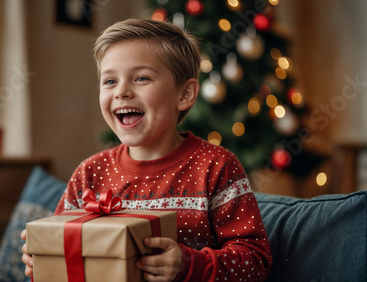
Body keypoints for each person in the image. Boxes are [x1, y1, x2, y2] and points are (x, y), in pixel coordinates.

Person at [21, 18, 272, 281]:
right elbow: (62, 247)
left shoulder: (216, 166)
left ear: (184, 95)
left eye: (141, 78)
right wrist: (43, 255)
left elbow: (255, 262)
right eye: (109, 81)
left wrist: (188, 264)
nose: (121, 92)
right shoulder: (89, 173)